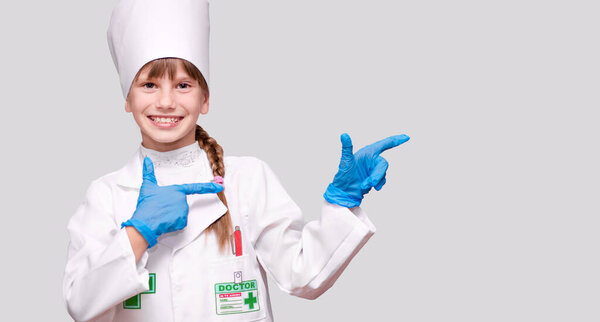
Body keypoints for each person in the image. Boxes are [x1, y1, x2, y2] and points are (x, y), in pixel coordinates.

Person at [62, 0, 410, 321]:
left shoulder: (248, 179)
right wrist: (137, 232)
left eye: (183, 85)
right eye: (149, 85)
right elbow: (81, 304)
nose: (166, 102)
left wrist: (344, 203)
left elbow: (304, 276)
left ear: (205, 99)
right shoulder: (106, 195)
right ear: (127, 99)